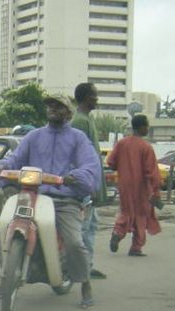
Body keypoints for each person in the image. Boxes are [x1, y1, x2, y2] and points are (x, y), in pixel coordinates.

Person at [0, 94, 100, 309]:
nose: (52, 109)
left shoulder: (78, 138)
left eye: (58, 106)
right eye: (50, 106)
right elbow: (15, 158)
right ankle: (6, 278)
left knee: (74, 242)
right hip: (33, 195)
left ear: (68, 113)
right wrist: (3, 165)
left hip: (64, 199)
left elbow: (90, 164)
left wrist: (75, 176)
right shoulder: (34, 136)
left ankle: (85, 282)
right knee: (4, 230)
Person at [107, 114, 162, 257]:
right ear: (142, 127)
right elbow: (152, 171)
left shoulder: (121, 143)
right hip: (142, 187)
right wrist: (156, 190)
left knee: (126, 211)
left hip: (124, 184)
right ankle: (136, 247)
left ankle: (118, 231)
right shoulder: (146, 147)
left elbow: (111, 163)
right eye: (147, 126)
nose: (147, 129)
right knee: (141, 215)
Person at [71, 82, 107, 279]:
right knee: (84, 228)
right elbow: (79, 156)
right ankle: (81, 267)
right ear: (86, 97)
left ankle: (87, 264)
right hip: (86, 185)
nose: (97, 99)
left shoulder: (87, 120)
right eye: (94, 95)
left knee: (91, 225)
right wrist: (88, 185)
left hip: (92, 182)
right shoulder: (80, 122)